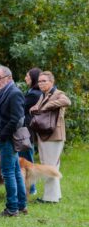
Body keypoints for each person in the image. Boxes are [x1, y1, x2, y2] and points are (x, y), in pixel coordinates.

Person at [30, 71, 71, 204]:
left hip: (54, 135)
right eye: (40, 81)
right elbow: (40, 108)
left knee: (49, 166)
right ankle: (56, 195)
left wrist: (48, 105)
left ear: (51, 82)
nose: (41, 83)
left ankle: (50, 198)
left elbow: (67, 101)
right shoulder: (44, 95)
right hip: (44, 134)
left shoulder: (57, 93)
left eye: (44, 81)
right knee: (51, 166)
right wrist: (35, 107)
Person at [0, 65, 27, 217]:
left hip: (9, 139)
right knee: (15, 172)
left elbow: (17, 119)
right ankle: (21, 205)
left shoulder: (14, 92)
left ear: (9, 78)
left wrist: (2, 136)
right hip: (6, 138)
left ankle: (12, 208)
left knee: (8, 173)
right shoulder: (4, 92)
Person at [20, 67, 42, 195]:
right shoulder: (32, 92)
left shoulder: (34, 94)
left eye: (27, 76)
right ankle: (26, 187)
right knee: (25, 157)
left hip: (27, 130)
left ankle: (32, 188)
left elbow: (21, 107)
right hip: (28, 130)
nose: (25, 78)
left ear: (33, 78)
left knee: (27, 158)